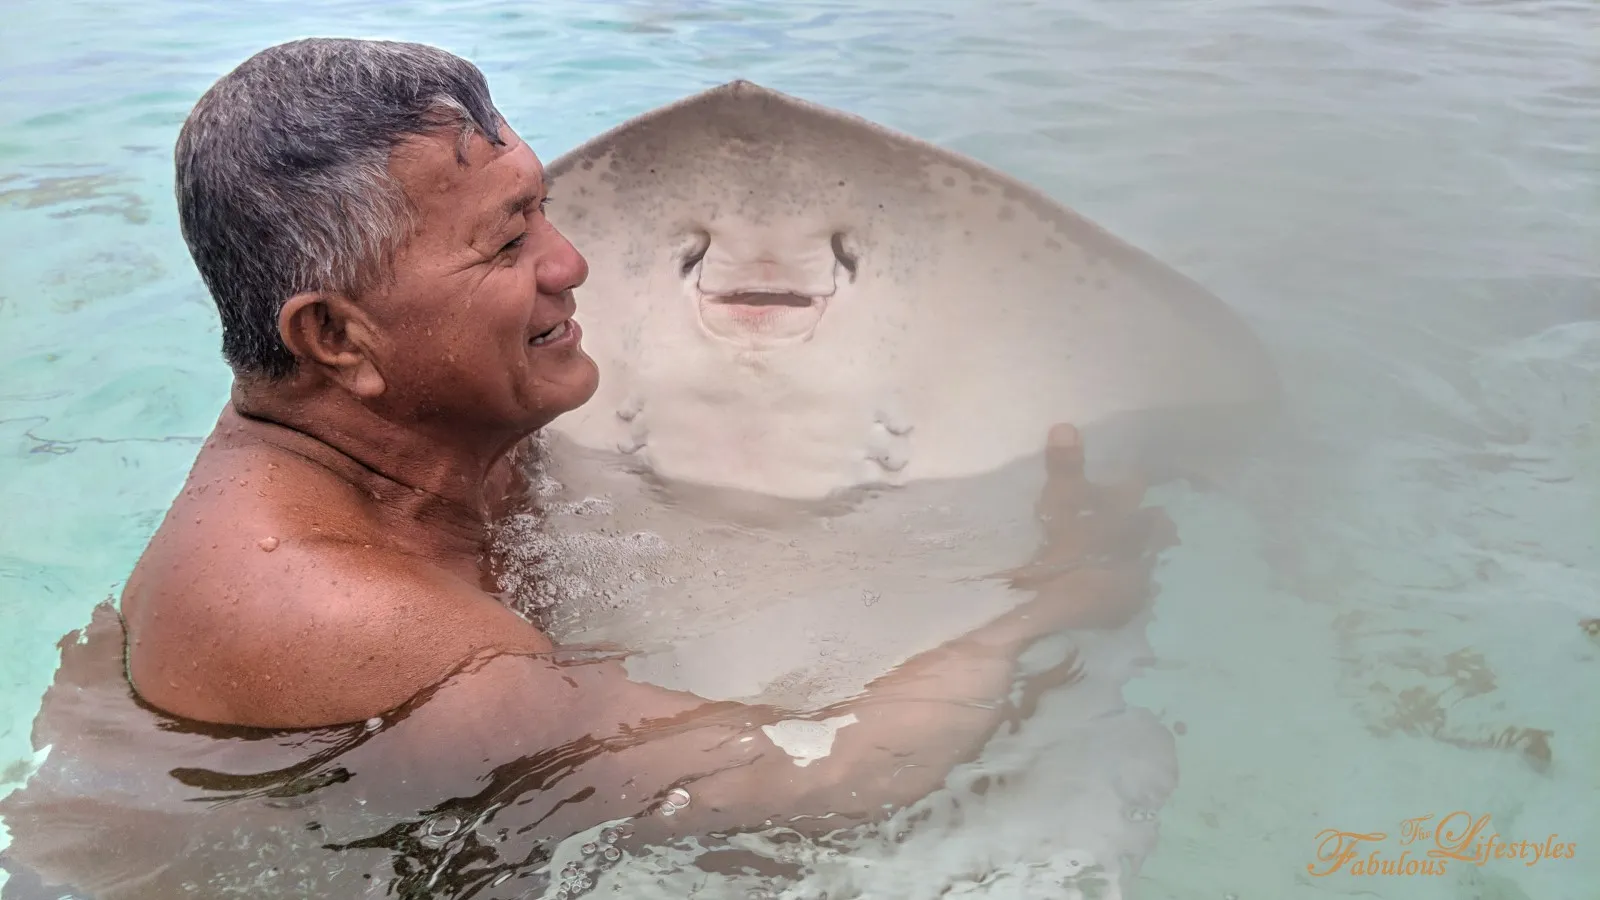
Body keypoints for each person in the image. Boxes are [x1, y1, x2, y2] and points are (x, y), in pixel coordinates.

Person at [117, 37, 1172, 834]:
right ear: (337, 337)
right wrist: (1051, 604)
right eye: (508, 243)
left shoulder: (387, 426)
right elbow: (804, 786)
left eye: (543, 208)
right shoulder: (345, 619)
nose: (571, 263)